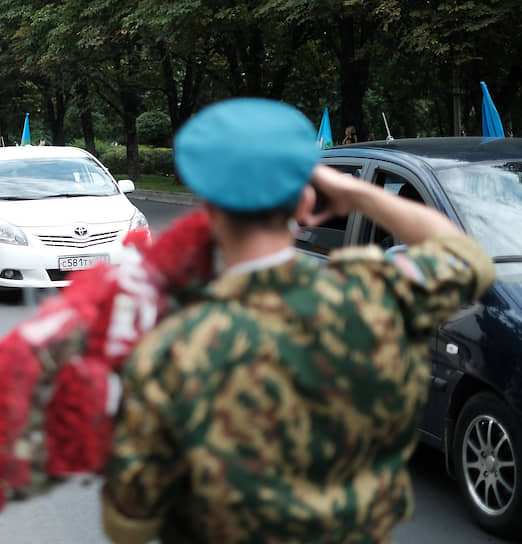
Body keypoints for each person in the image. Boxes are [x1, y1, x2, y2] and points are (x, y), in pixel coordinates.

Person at [101, 98, 496, 544]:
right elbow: (468, 259)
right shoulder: (367, 296)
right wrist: (361, 194)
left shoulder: (166, 346)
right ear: (305, 200)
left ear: (207, 209)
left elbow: (128, 519)